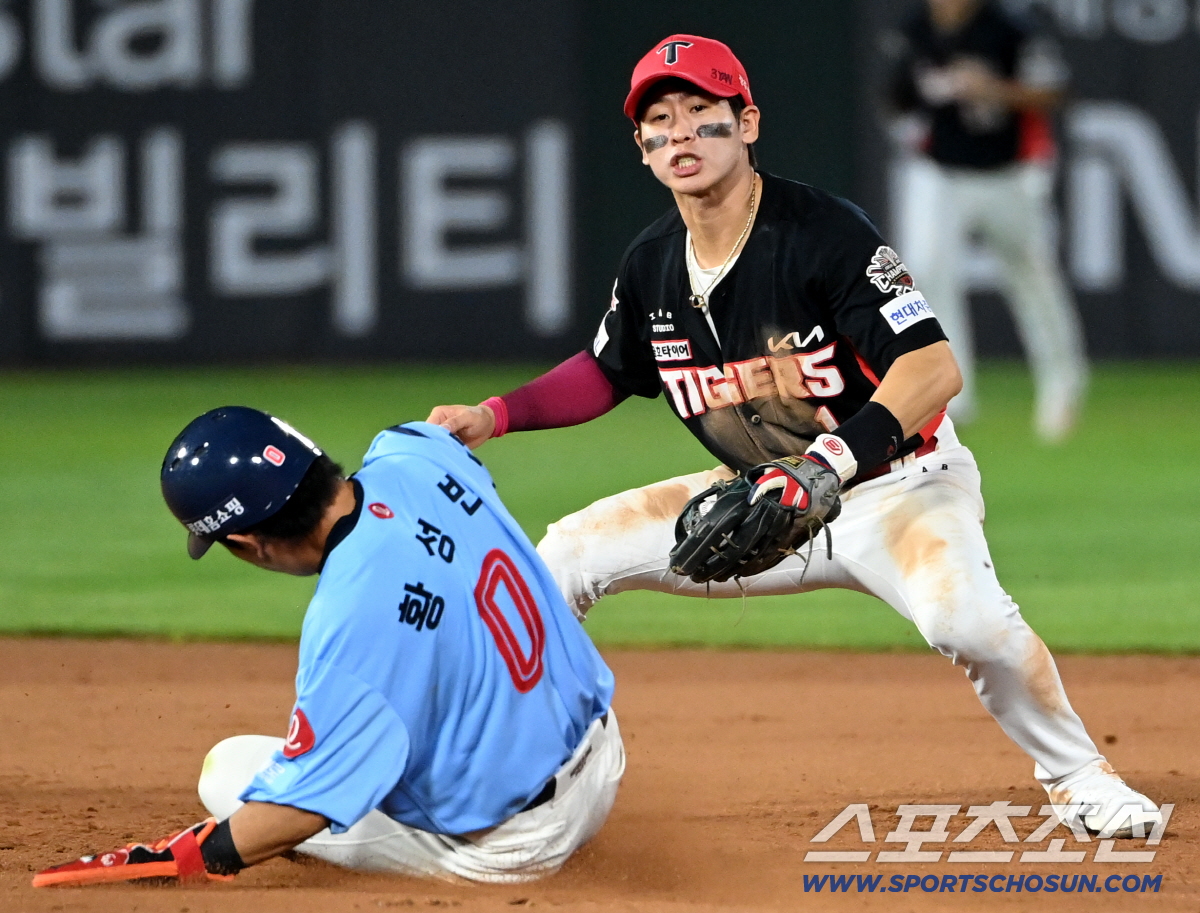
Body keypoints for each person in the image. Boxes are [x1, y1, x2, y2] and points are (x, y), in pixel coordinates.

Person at [427, 34, 1160, 838]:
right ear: (640, 149)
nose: (680, 135)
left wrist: (829, 462)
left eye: (701, 114)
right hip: (760, 499)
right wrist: (492, 414)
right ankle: (494, 776)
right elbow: (606, 371)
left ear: (747, 124)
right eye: (660, 121)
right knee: (560, 558)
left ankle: (1080, 775)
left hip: (896, 486)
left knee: (967, 622)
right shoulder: (651, 265)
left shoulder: (823, 232)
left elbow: (934, 368)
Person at [33, 407, 623, 888]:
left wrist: (190, 854)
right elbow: (446, 447)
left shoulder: (349, 621)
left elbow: (301, 808)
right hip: (605, 752)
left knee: (228, 772)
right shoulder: (413, 450)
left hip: (519, 843)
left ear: (246, 543)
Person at [884, 0, 1088, 441]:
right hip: (939, 171)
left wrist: (993, 89)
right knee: (928, 272)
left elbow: (1054, 91)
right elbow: (896, 96)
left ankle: (1062, 383)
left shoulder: (1010, 27)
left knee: (1032, 273)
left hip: (1006, 173)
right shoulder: (915, 27)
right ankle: (954, 395)